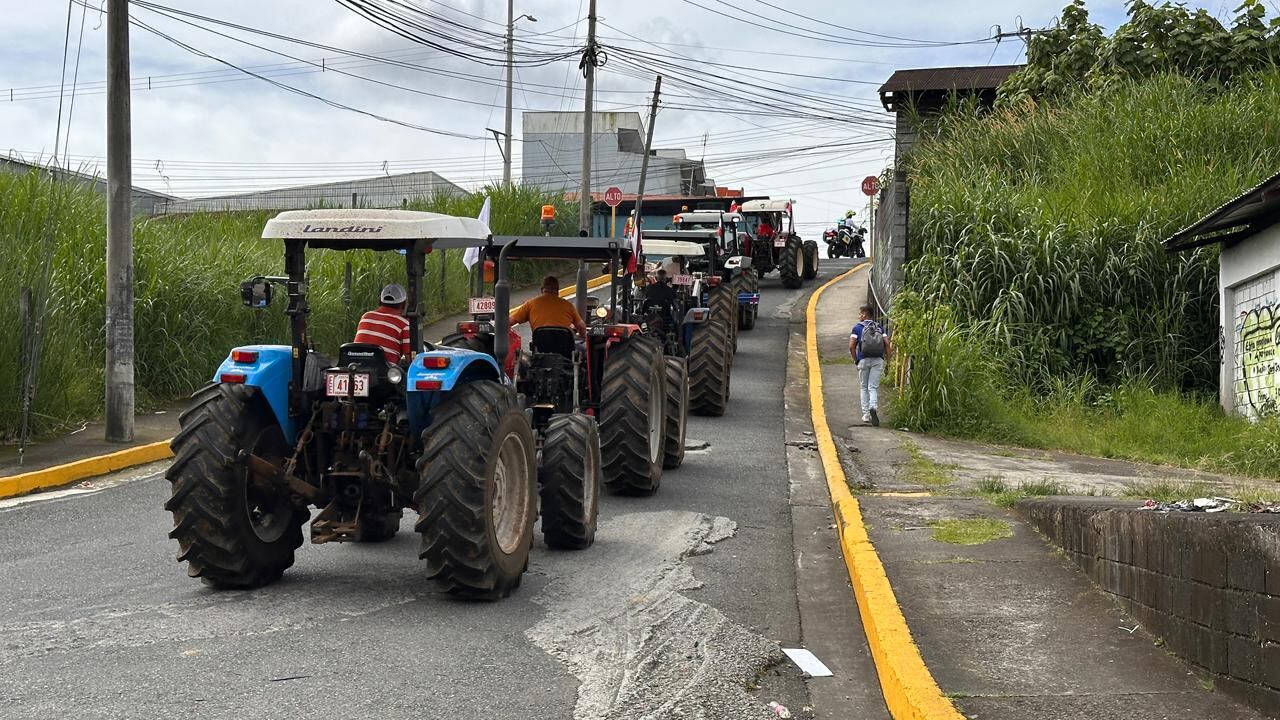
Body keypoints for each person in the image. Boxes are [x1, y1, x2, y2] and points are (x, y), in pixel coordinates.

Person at [849, 304, 891, 426]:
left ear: (864, 314)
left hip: (863, 360)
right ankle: (873, 407)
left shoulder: (857, 328)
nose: (859, 316)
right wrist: (888, 361)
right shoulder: (879, 327)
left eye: (860, 314)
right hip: (878, 360)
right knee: (873, 387)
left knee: (863, 387)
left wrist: (856, 359)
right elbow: (887, 344)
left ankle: (866, 415)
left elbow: (851, 346)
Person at [510, 275, 589, 339]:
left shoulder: (530, 304)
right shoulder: (568, 305)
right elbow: (581, 326)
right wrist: (582, 336)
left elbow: (509, 321)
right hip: (563, 350)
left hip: (540, 348)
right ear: (557, 291)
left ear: (542, 290)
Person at [354, 283, 412, 364]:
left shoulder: (366, 316)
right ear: (404, 303)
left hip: (356, 366)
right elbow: (409, 359)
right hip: (384, 372)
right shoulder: (404, 324)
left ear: (380, 301)